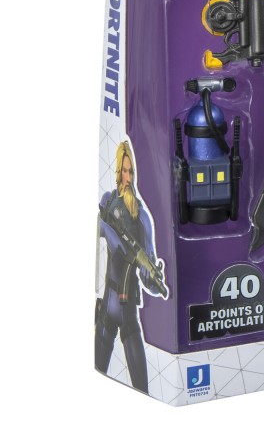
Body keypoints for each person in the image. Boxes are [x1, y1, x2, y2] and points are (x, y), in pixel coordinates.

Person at [95, 141, 164, 392]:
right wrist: (110, 235)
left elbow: (151, 284)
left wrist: (151, 278)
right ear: (117, 172)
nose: (127, 177)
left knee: (142, 389)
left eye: (131, 171)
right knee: (96, 372)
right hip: (107, 305)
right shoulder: (108, 201)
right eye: (123, 171)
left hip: (128, 311)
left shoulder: (142, 218)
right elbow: (98, 229)